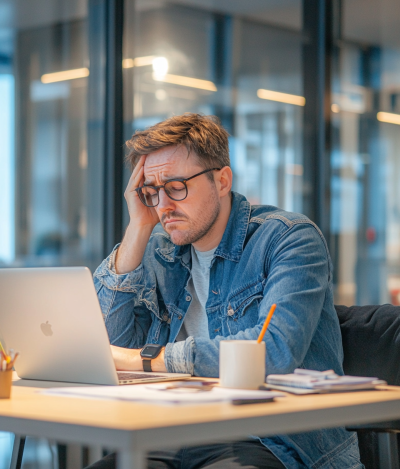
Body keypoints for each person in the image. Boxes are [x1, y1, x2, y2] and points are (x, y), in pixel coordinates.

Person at [91, 113, 363, 469]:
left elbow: (274, 352)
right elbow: (107, 347)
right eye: (151, 192)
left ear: (222, 180)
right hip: (168, 432)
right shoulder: (160, 250)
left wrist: (148, 359)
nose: (163, 206)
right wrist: (138, 227)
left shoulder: (289, 239)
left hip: (268, 439)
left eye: (175, 187)